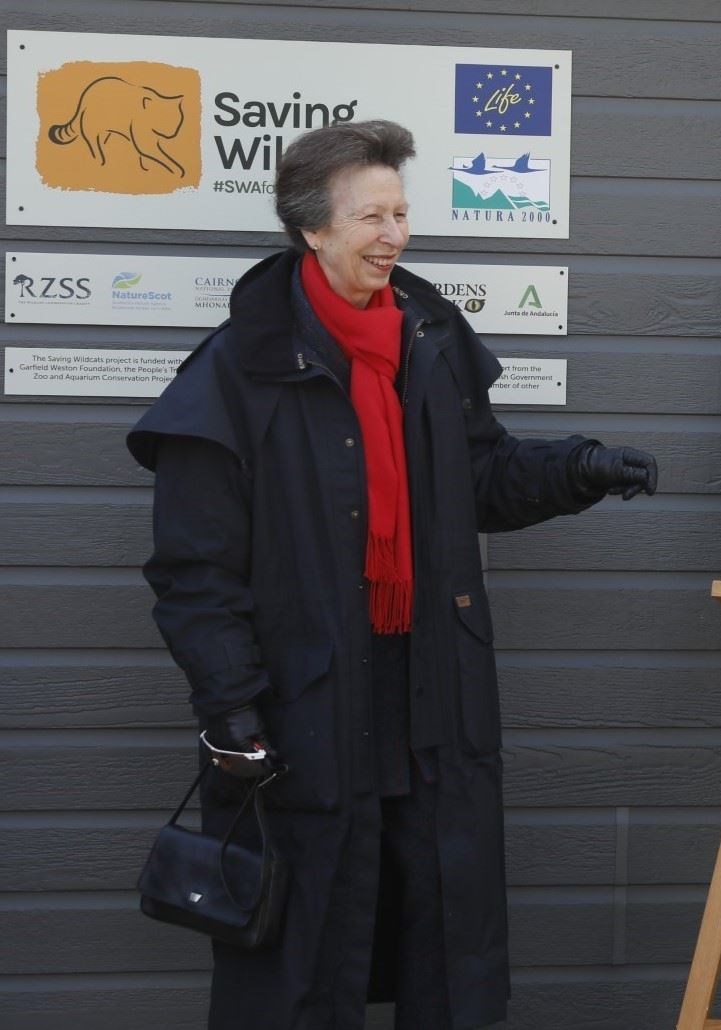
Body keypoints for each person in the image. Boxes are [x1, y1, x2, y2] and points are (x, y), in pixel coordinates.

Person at [127, 119, 658, 1029]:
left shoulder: (430, 340)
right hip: (301, 706)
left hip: (427, 694)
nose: (394, 235)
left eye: (401, 213)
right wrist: (232, 712)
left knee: (442, 946)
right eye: (371, 216)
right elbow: (194, 572)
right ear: (312, 230)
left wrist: (579, 469)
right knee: (299, 963)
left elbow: (479, 477)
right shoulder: (235, 371)